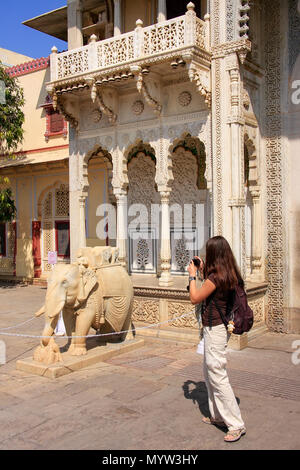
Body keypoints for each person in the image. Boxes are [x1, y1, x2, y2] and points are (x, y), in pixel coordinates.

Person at [187, 235, 246, 443]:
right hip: (215, 329)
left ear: (214, 254)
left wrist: (192, 276)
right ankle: (218, 415)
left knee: (217, 374)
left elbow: (195, 297)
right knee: (209, 371)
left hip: (216, 330)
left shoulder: (216, 277)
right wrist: (202, 269)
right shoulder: (227, 273)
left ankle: (236, 424)